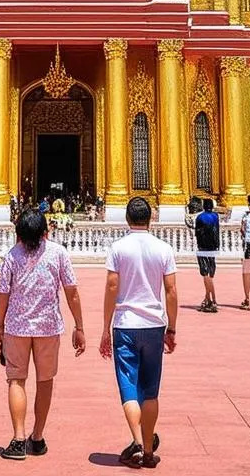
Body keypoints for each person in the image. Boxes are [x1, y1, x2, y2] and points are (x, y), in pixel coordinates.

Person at [0, 209, 85, 461]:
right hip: (48, 327)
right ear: (46, 230)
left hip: (17, 327)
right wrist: (79, 326)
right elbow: (72, 292)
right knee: (45, 380)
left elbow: (3, 294)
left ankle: (18, 438)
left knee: (16, 380)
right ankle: (37, 437)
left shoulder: (12, 256)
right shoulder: (58, 253)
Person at [100, 196, 177, 469]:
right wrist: (172, 328)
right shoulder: (163, 248)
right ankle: (147, 450)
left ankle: (135, 440)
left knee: (130, 390)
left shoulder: (118, 247)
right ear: (151, 218)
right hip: (154, 325)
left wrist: (106, 327)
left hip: (126, 324)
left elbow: (111, 286)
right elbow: (171, 291)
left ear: (127, 219)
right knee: (151, 391)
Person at [194, 198, 220, 313]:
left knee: (205, 274)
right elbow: (217, 230)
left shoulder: (199, 217)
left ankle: (213, 300)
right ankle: (207, 298)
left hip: (202, 247)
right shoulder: (215, 216)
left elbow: (196, 233)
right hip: (213, 247)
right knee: (210, 273)